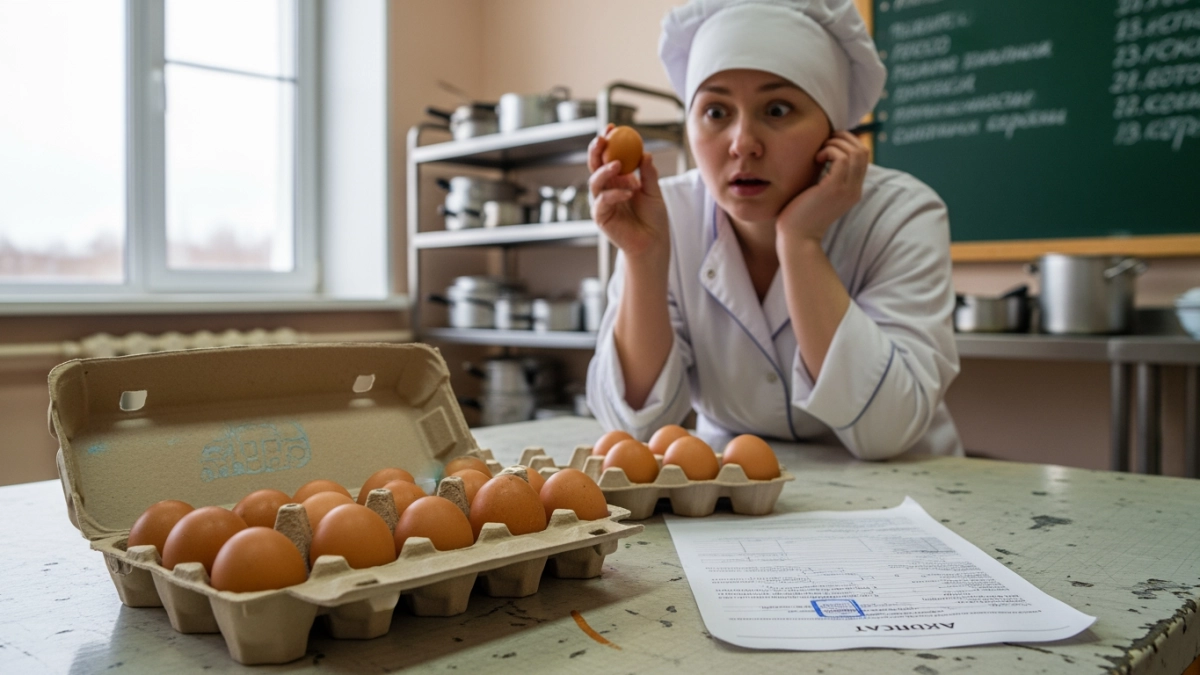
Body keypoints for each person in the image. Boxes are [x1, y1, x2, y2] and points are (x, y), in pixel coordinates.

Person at [585, 0, 962, 459]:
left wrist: (801, 242)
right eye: (716, 112)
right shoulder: (667, 215)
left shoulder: (900, 214)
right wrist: (644, 257)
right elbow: (635, 428)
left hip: (905, 487)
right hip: (733, 488)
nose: (743, 144)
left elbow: (887, 431)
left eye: (778, 110)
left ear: (834, 131)